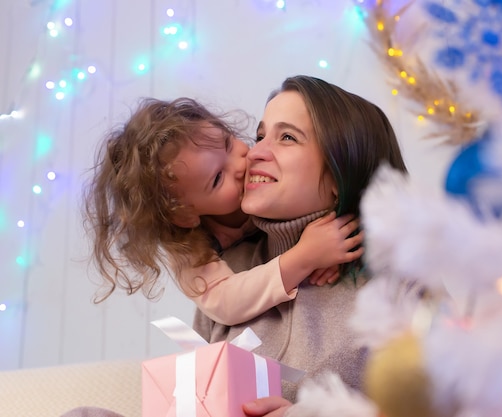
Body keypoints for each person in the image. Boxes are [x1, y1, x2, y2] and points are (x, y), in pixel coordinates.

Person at [186, 75, 409, 416]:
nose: (255, 153)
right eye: (260, 136)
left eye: (287, 137)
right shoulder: (228, 272)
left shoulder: (398, 282)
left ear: (339, 173)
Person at [82, 97, 364, 326]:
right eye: (217, 179)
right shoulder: (188, 247)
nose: (242, 164)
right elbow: (226, 303)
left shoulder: (260, 167)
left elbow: (318, 193)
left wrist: (335, 244)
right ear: (184, 214)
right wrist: (306, 257)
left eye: (229, 143)